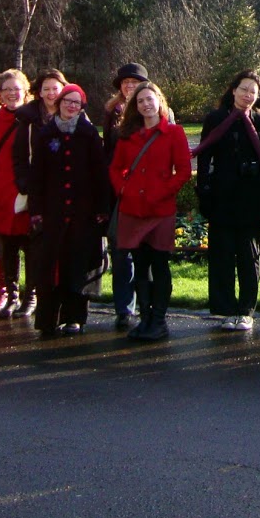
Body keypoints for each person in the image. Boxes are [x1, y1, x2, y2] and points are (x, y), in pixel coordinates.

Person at [110, 81, 190, 342]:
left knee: (160, 264)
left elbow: (184, 171)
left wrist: (162, 192)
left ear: (159, 101)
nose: (146, 104)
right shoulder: (127, 135)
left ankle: (159, 320)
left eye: (150, 99)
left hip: (160, 210)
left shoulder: (174, 133)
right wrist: (124, 189)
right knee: (140, 266)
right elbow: (115, 168)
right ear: (136, 106)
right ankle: (144, 319)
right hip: (133, 209)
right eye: (140, 101)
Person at [27, 83, 110, 338]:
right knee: (50, 267)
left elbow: (100, 174)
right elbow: (37, 175)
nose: (71, 106)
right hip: (52, 213)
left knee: (78, 266)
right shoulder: (45, 133)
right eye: (67, 101)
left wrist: (101, 209)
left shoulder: (88, 134)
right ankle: (47, 319)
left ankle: (75, 317)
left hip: (82, 213)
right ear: (59, 103)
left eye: (76, 102)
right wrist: (37, 210)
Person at [195, 70, 260, 331]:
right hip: (222, 195)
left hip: (251, 197)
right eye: (243, 89)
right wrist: (203, 188)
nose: (248, 95)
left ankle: (246, 309)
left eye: (253, 91)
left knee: (249, 256)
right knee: (223, 254)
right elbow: (204, 155)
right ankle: (226, 308)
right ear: (233, 90)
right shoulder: (216, 118)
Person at [0, 69, 36, 319]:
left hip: (27, 189)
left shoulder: (34, 117)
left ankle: (30, 295)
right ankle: (11, 294)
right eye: (7, 90)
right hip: (2, 190)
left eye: (16, 89)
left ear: (26, 92)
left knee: (30, 246)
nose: (12, 94)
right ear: (0, 94)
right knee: (7, 247)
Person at [103, 62, 150, 330]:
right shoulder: (113, 111)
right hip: (121, 191)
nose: (129, 86)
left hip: (149, 193)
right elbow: (107, 153)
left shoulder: (157, 107)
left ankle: (149, 305)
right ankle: (124, 307)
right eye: (125, 83)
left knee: (147, 252)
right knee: (121, 251)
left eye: (134, 82)